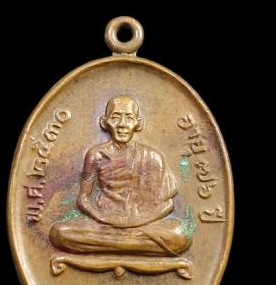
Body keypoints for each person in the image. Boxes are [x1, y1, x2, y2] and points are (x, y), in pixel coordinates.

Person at [49, 95, 191, 256]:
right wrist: (102, 218)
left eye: (129, 118)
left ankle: (112, 245)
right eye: (115, 117)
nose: (122, 124)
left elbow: (167, 205)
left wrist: (132, 222)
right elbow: (83, 198)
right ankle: (132, 246)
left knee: (181, 234)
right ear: (104, 122)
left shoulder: (153, 157)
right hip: (105, 222)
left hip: (143, 224)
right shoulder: (96, 155)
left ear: (138, 124)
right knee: (59, 232)